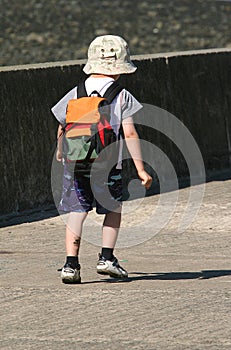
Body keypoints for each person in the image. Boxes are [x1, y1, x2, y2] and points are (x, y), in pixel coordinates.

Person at [51, 35, 152, 283]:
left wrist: (60, 152)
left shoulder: (76, 91)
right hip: (107, 166)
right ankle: (106, 258)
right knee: (113, 208)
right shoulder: (122, 95)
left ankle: (70, 265)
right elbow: (129, 132)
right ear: (120, 68)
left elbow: (62, 125)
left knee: (77, 211)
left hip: (75, 165)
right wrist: (140, 169)